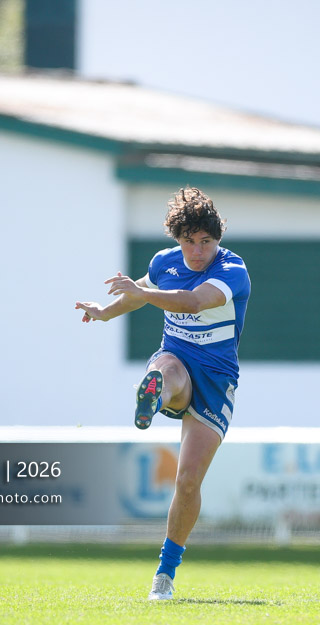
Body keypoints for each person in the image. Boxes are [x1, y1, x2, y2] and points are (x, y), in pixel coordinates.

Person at [75, 186, 250, 600]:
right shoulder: (165, 263)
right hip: (177, 355)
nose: (197, 250)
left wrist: (143, 294)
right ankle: (154, 393)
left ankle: (165, 574)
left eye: (206, 241)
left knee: (187, 481)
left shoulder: (232, 271)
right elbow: (136, 293)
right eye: (189, 241)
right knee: (167, 368)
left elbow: (191, 302)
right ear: (177, 238)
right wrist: (103, 311)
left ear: (218, 239)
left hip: (216, 377)